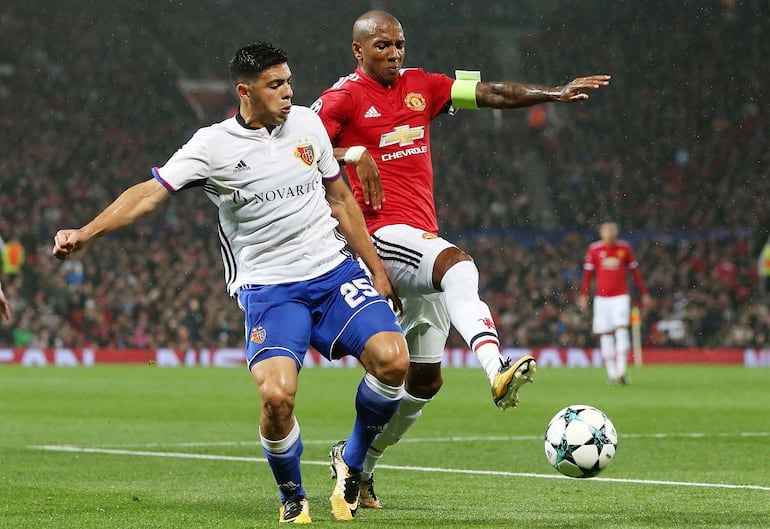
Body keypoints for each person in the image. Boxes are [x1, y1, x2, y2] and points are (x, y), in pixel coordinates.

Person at [53, 41, 410, 524]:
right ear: (245, 91)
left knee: (394, 361)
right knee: (276, 398)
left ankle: (351, 461)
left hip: (333, 273)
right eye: (275, 84)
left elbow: (341, 200)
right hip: (271, 288)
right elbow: (148, 194)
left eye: (288, 81)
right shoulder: (212, 146)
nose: (288, 92)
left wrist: (378, 270)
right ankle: (292, 493)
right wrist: (86, 232)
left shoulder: (308, 125)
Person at [311, 9, 610, 508]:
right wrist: (350, 155)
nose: (394, 53)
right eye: (382, 45)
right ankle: (496, 367)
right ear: (358, 50)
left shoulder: (422, 86)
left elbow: (491, 93)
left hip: (417, 239)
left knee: (424, 382)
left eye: (399, 44)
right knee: (459, 265)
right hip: (378, 235)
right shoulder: (342, 98)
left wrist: (553, 93)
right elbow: (299, 147)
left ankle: (358, 463)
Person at [577, 221, 651, 384]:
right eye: (606, 231)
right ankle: (612, 374)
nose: (609, 234)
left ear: (616, 233)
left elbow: (635, 272)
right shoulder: (594, 249)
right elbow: (588, 274)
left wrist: (644, 293)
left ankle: (621, 371)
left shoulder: (625, 248)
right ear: (601, 234)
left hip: (620, 297)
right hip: (602, 299)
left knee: (621, 328)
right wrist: (584, 294)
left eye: (612, 231)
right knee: (606, 333)